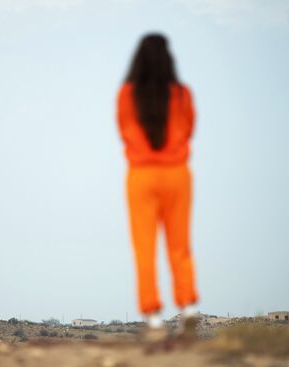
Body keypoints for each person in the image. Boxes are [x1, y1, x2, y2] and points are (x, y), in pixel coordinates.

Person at [116, 34, 199, 330]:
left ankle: (152, 316)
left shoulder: (127, 94)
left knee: (144, 246)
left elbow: (124, 131)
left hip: (141, 175)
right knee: (180, 244)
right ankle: (188, 307)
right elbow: (189, 129)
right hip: (177, 173)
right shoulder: (182, 93)